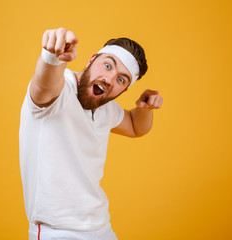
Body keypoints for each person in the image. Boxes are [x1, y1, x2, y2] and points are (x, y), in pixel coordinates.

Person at [19, 27, 163, 240]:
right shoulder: (60, 90)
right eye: (107, 66)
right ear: (91, 59)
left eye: (121, 80)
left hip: (101, 228)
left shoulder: (106, 108)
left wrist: (144, 109)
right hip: (57, 232)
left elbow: (135, 127)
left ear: (123, 91)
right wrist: (52, 57)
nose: (109, 80)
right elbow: (44, 86)